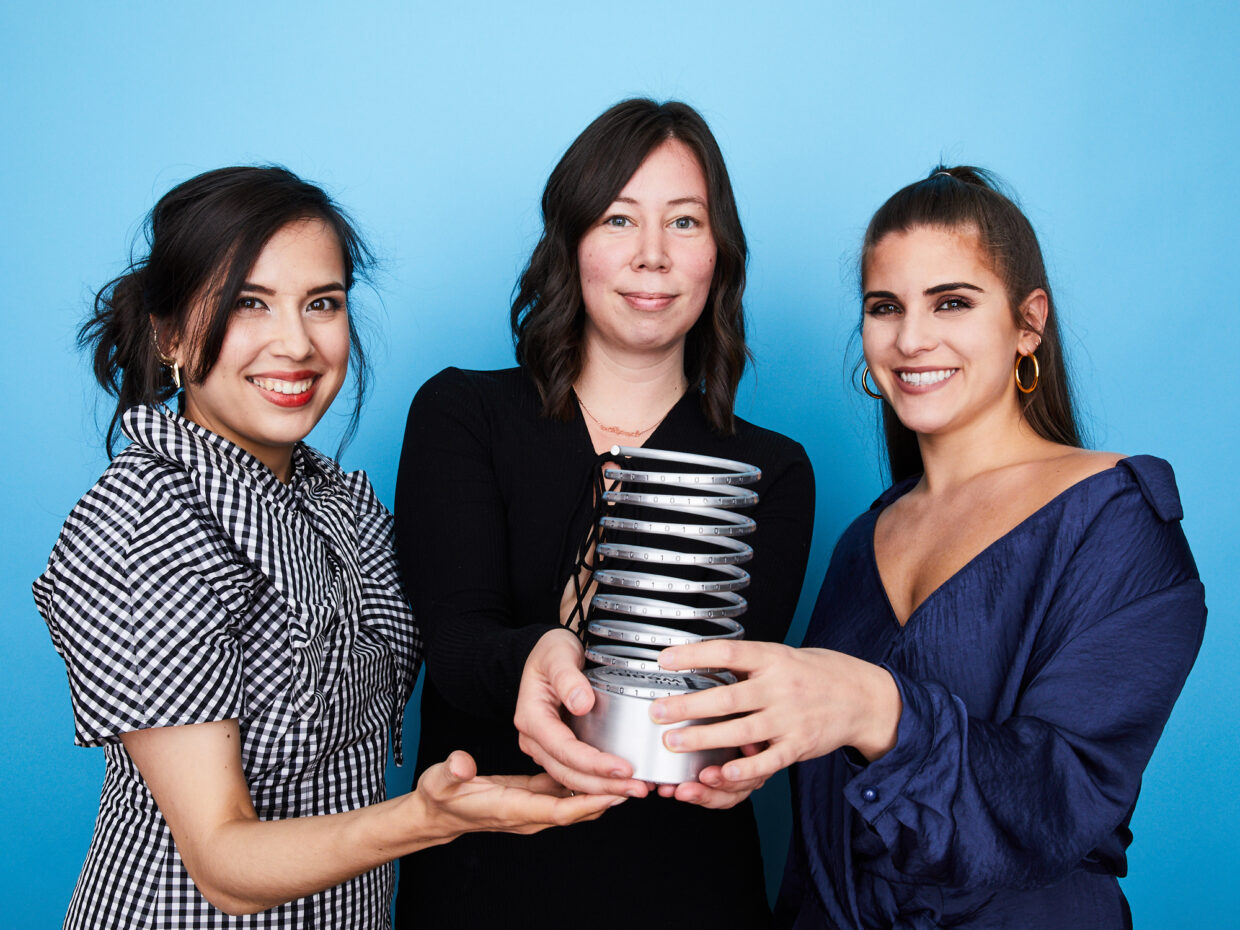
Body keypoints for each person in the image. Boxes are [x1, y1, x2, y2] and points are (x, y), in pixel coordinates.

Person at [32, 166, 621, 930]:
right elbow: (222, 863)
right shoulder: (143, 522)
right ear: (169, 332)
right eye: (249, 303)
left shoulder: (342, 506)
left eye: (322, 304)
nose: (296, 344)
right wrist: (430, 818)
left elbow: (463, 633)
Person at [648, 167, 1206, 928]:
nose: (911, 339)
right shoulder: (862, 540)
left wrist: (875, 707)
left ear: (1028, 322)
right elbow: (832, 818)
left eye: (952, 302)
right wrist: (754, 755)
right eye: (885, 307)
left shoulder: (1114, 520)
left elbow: (1059, 796)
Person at [394, 99, 815, 927]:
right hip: (484, 888)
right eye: (619, 218)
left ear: (719, 257)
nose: (652, 256)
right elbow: (456, 640)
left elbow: (717, 692)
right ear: (573, 242)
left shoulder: (771, 470)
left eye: (684, 222)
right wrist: (534, 656)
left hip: (685, 890)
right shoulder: (462, 414)